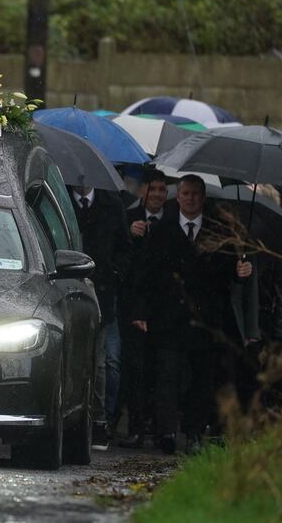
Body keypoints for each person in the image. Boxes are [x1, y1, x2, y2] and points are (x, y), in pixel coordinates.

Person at [131, 174, 253, 454]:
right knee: (168, 377)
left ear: (203, 197)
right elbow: (147, 273)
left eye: (196, 194)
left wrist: (241, 272)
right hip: (169, 317)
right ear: (178, 197)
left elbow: (230, 274)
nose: (190, 199)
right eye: (185, 194)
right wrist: (141, 311)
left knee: (202, 378)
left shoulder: (216, 233)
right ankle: (167, 431)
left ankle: (195, 431)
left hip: (205, 318)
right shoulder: (163, 230)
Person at [68, 184, 129, 450]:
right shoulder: (61, 197)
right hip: (67, 286)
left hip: (101, 290)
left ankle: (99, 420)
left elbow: (123, 247)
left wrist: (113, 272)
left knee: (101, 362)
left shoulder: (111, 204)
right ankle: (72, 416)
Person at [119, 168, 169, 448]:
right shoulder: (130, 219)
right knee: (134, 369)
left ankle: (155, 423)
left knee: (158, 369)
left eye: (163, 190)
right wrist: (132, 235)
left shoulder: (171, 222)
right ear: (142, 192)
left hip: (162, 309)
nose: (158, 196)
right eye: (153, 190)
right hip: (133, 307)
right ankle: (135, 424)